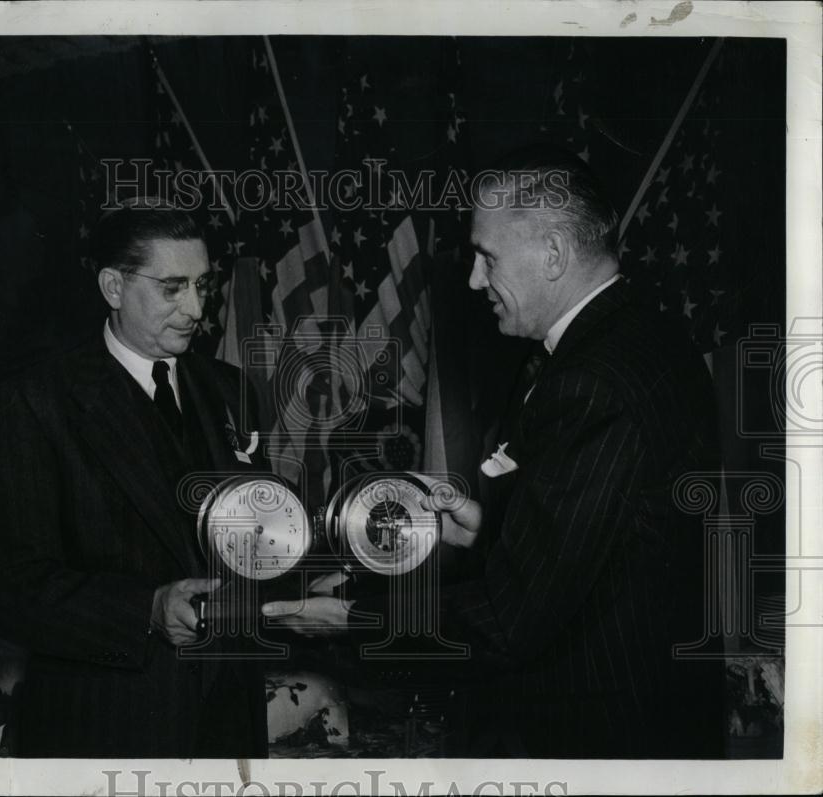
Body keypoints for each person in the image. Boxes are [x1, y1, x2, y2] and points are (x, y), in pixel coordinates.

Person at [263, 147, 725, 758]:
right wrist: (488, 531)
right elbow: (618, 540)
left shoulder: (590, 383)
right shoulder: (648, 337)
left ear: (554, 255)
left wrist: (348, 616)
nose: (474, 280)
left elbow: (509, 622)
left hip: (593, 734)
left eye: (487, 256)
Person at [0, 199, 268, 757]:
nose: (195, 309)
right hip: (104, 726)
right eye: (171, 287)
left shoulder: (233, 391)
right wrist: (145, 610)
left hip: (230, 722)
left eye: (202, 285)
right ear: (112, 286)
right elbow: (4, 584)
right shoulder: (34, 401)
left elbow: (256, 534)